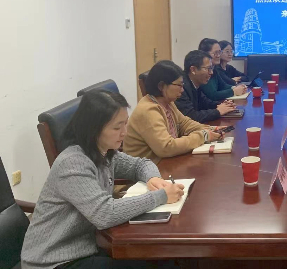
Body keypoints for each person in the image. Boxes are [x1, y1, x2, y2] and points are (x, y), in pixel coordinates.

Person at [21, 90, 184, 269]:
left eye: (125, 124)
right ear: (94, 129)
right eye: (117, 127)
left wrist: (153, 178)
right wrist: (161, 196)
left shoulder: (103, 152)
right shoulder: (73, 163)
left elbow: (140, 164)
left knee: (163, 257)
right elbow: (105, 214)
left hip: (87, 246)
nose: (124, 132)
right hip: (53, 261)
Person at [124, 60, 221, 163]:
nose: (182, 90)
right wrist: (203, 136)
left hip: (165, 163)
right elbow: (166, 147)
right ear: (161, 86)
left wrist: (212, 129)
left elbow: (184, 123)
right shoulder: (148, 111)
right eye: (179, 85)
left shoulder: (167, 102)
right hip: (149, 168)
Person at [176, 50, 236, 123]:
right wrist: (217, 111)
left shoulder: (195, 83)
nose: (211, 72)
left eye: (211, 68)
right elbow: (190, 116)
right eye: (208, 69)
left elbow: (205, 102)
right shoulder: (181, 87)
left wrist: (223, 105)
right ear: (193, 70)